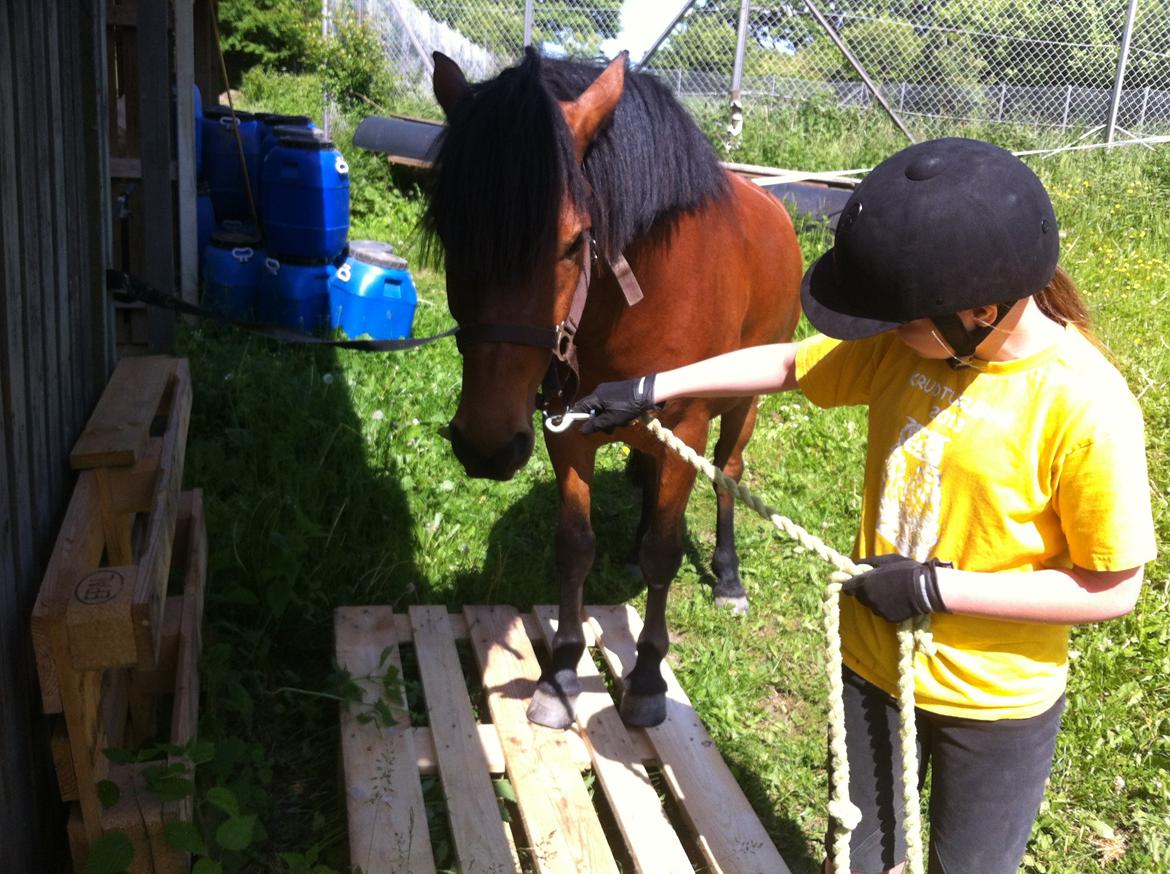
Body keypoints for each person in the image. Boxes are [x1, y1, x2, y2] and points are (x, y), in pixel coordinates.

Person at [565, 137, 1157, 874]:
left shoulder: (1085, 404)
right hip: (872, 665)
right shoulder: (911, 348)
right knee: (858, 855)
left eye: (896, 320)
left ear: (977, 310)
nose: (881, 336)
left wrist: (936, 588)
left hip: (996, 706)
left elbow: (1113, 586)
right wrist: (654, 387)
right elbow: (786, 363)